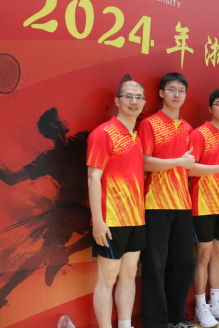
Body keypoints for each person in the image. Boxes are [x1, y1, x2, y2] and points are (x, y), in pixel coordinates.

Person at [0, 108, 91, 317]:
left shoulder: (77, 142)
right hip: (76, 208)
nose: (65, 120)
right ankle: (64, 253)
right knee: (109, 231)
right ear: (54, 125)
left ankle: (3, 292)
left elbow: (11, 178)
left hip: (71, 208)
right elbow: (12, 179)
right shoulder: (61, 151)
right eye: (61, 119)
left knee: (44, 252)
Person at [87, 79, 147, 328]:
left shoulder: (136, 136)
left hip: (136, 218)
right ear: (117, 101)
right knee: (107, 278)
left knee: (129, 274)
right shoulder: (103, 133)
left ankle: (125, 324)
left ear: (144, 102)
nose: (134, 101)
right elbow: (93, 177)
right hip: (111, 219)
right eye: (128, 96)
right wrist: (99, 221)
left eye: (138, 97)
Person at [138, 73, 196, 328]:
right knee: (155, 265)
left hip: (183, 205)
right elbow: (144, 161)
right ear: (161, 93)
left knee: (184, 264)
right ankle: (156, 323)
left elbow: (190, 167)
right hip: (155, 205)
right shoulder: (149, 124)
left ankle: (177, 318)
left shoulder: (188, 128)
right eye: (171, 89)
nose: (176, 94)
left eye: (181, 90)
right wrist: (178, 162)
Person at [189, 89, 219, 327]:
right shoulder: (199, 134)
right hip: (203, 204)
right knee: (203, 255)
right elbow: (190, 168)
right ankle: (200, 306)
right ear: (210, 108)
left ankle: (216, 303)